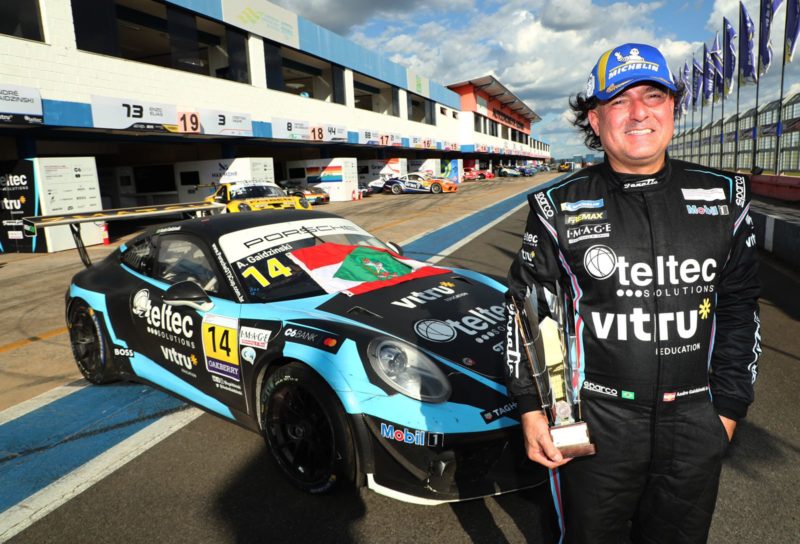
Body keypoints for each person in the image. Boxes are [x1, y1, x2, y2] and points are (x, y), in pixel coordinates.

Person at [504, 43, 761, 544]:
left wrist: (727, 413)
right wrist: (532, 408)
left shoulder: (726, 196)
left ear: (672, 109)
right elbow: (529, 313)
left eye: (652, 96)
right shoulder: (557, 205)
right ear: (595, 121)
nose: (638, 112)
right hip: (597, 423)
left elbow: (739, 311)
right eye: (619, 101)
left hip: (695, 421)